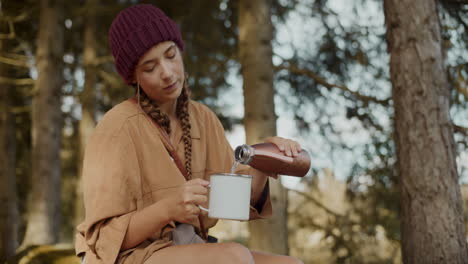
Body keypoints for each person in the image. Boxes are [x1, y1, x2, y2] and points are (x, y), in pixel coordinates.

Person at [75, 4, 304, 264]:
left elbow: (231, 203)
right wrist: (167, 209)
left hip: (188, 246)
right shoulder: (116, 128)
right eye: (150, 68)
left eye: (171, 55)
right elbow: (103, 241)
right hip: (127, 256)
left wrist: (261, 161)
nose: (167, 73)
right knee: (233, 257)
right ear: (134, 77)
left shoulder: (202, 118)